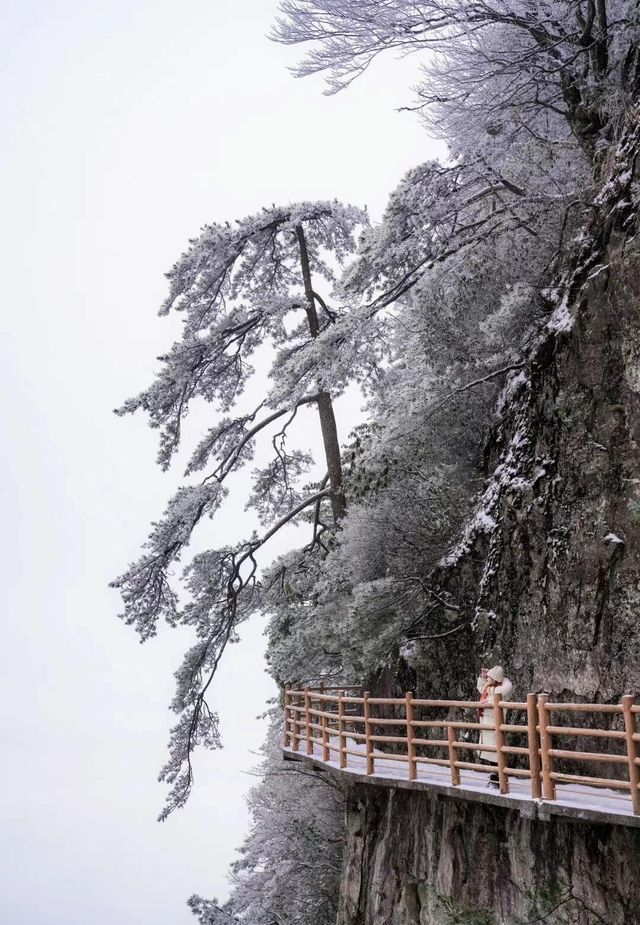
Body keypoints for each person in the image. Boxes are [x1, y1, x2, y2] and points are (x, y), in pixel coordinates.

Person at [476, 665, 513, 787]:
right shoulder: (489, 689)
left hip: (495, 724)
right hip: (487, 725)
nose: (487, 679)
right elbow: (481, 688)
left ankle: (498, 778)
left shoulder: (499, 692)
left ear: (495, 679)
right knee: (490, 752)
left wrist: (486, 702)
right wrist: (482, 678)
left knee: (495, 753)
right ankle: (495, 777)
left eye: (489, 678)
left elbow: (494, 701)